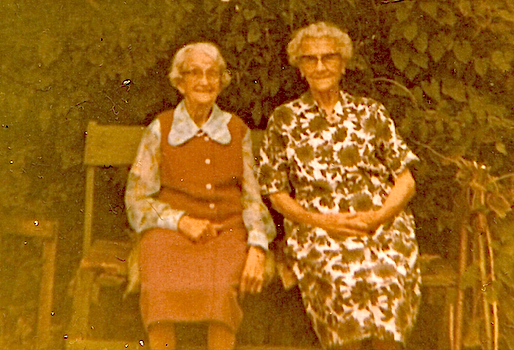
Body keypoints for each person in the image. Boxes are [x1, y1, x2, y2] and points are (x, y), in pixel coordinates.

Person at [257, 22, 421, 350]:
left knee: (386, 274)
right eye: (310, 59)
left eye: (328, 57)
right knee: (343, 279)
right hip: (317, 227)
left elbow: (405, 180)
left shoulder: (370, 112)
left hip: (380, 223)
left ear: (343, 64)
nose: (320, 66)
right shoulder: (284, 119)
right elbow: (275, 193)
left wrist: (378, 217)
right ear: (300, 69)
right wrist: (325, 221)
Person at [125, 42, 276, 350]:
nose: (205, 82)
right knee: (159, 286)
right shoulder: (161, 128)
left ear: (222, 81)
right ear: (180, 82)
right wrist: (180, 221)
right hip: (169, 233)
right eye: (195, 73)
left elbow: (251, 197)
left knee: (221, 289)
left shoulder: (236, 129)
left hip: (226, 232)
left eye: (212, 74)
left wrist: (258, 248)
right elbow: (136, 198)